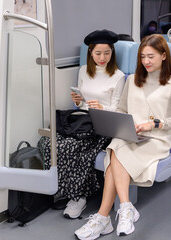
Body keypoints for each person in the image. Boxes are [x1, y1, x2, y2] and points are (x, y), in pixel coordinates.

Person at [74, 34, 171, 239]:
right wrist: (116, 121)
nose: (145, 61)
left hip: (156, 139)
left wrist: (155, 123)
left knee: (114, 156)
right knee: (117, 145)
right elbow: (121, 109)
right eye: (142, 57)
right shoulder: (132, 80)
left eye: (151, 57)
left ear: (164, 56)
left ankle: (104, 218)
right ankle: (124, 210)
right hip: (130, 135)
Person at [38, 29, 125, 219]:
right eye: (98, 53)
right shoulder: (83, 71)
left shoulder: (118, 76)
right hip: (82, 121)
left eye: (107, 53)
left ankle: (79, 197)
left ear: (112, 52)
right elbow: (82, 104)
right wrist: (78, 102)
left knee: (71, 147)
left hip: (102, 126)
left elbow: (119, 111)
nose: (103, 57)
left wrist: (102, 107)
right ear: (90, 53)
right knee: (49, 143)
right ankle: (65, 189)